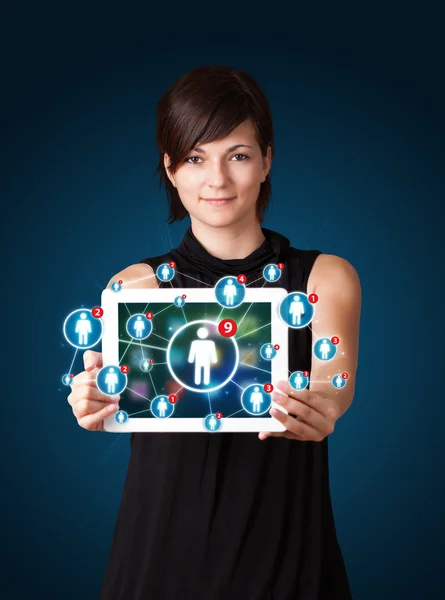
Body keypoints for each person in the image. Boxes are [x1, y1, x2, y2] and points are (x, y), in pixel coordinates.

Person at [67, 65, 361, 599]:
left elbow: (334, 386)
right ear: (170, 167)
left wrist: (323, 409)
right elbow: (108, 398)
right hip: (157, 558)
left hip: (286, 560)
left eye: (239, 155)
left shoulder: (323, 279)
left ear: (267, 160)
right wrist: (92, 403)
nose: (217, 180)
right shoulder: (135, 288)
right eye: (196, 157)